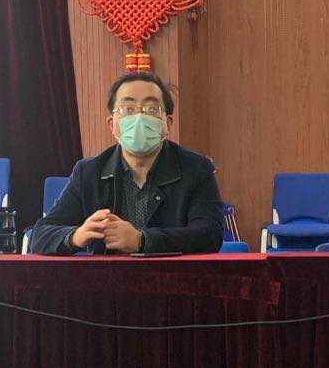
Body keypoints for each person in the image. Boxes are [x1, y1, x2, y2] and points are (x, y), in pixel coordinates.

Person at [31, 71, 224, 255]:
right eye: (128, 109)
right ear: (112, 124)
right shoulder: (89, 172)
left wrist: (142, 240)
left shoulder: (196, 168)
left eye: (151, 109)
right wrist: (75, 236)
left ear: (168, 124)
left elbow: (210, 234)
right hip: (107, 277)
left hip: (175, 276)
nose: (139, 117)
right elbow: (40, 235)